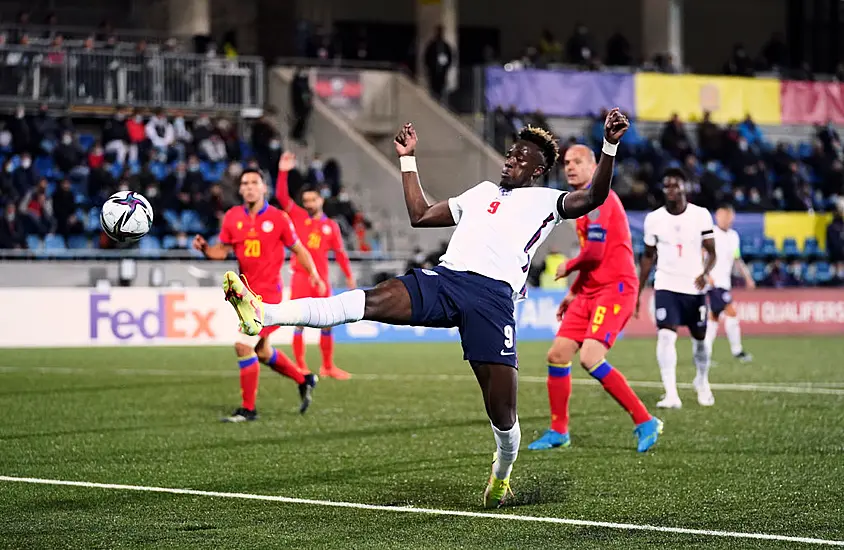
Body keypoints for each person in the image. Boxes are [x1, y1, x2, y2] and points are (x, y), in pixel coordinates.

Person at [222, 109, 630, 507]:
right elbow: (419, 215)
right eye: (510, 153)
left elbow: (594, 195)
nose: (511, 159)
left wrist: (609, 145)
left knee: (503, 412)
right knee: (370, 300)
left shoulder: (546, 201)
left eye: (521, 157)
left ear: (537, 170)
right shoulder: (481, 193)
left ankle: (501, 477)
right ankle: (266, 313)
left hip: (493, 302)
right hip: (447, 280)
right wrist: (407, 159)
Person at [528, 145, 661, 454]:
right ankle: (558, 431)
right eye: (566, 163)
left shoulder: (602, 200)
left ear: (592, 166)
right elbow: (593, 260)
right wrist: (573, 292)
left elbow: (596, 253)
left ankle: (645, 420)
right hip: (589, 292)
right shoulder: (582, 204)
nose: (570, 167)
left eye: (577, 162)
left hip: (615, 289)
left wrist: (569, 266)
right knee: (558, 354)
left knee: (589, 357)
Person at [192, 169, 325, 422]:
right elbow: (221, 251)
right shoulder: (232, 217)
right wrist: (206, 249)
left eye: (255, 182)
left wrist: (314, 275)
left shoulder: (278, 218)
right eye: (245, 183)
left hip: (268, 297)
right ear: (240, 190)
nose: (250, 187)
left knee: (243, 346)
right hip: (245, 295)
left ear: (264, 187)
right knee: (262, 352)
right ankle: (304, 379)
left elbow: (300, 249)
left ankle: (248, 410)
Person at [636, 168, 717, 409]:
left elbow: (712, 252)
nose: (671, 190)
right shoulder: (654, 219)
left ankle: (702, 381)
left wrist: (705, 273)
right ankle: (671, 393)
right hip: (666, 285)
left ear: (685, 187)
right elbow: (648, 257)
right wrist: (639, 291)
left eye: (675, 185)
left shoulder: (701, 215)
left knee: (701, 340)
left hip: (694, 287)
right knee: (665, 335)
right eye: (667, 186)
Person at [275, 152, 356, 379]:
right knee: (299, 323)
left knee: (328, 323)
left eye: (313, 200)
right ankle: (300, 365)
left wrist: (349, 276)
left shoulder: (331, 226)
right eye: (306, 200)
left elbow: (340, 253)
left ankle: (327, 366)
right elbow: (281, 196)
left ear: (321, 200)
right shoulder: (298, 216)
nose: (309, 203)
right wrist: (283, 171)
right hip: (301, 276)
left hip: (323, 280)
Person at [704, 205, 754, 363]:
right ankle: (737, 350)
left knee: (713, 318)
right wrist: (706, 274)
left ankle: (704, 354)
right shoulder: (711, 233)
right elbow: (701, 253)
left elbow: (737, 258)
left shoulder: (734, 236)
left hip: (724, 283)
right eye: (724, 216)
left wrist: (747, 277)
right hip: (713, 282)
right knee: (731, 312)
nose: (727, 219)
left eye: (730, 216)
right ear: (718, 216)